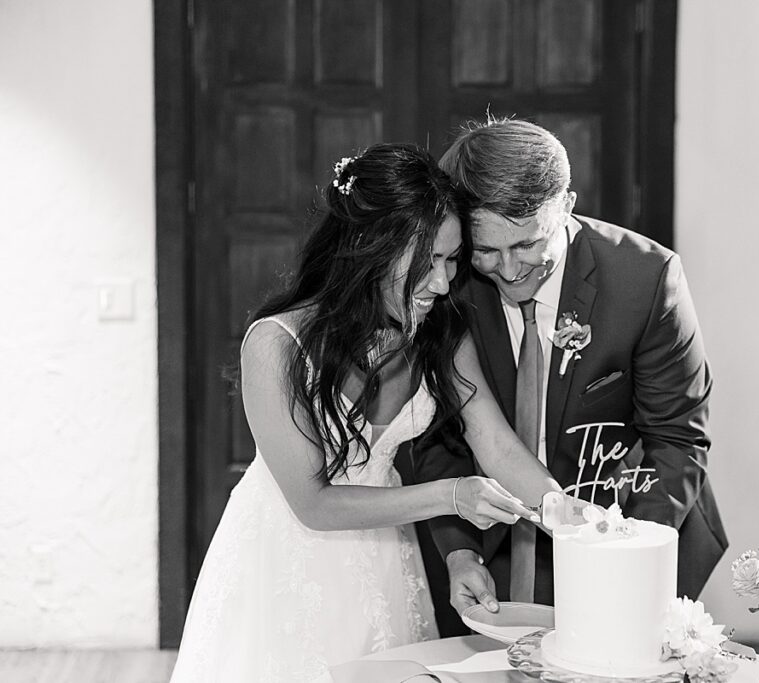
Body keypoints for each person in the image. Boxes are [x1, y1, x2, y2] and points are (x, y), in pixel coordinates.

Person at [170, 144, 559, 682]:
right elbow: (314, 504)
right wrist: (452, 495)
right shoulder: (276, 345)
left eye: (451, 260)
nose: (444, 283)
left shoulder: (439, 331)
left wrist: (575, 520)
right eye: (426, 263)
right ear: (369, 246)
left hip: (382, 559)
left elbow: (496, 445)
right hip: (283, 564)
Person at [413, 119, 728, 620]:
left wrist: (623, 555)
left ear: (567, 206)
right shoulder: (447, 284)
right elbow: (435, 432)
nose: (510, 270)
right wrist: (458, 549)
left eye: (526, 245)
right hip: (483, 538)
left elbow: (676, 440)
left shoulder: (645, 280)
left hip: (622, 523)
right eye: (486, 251)